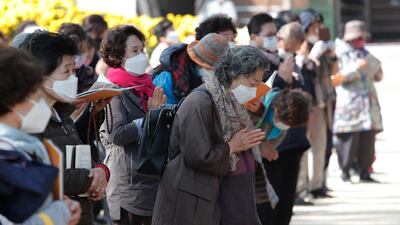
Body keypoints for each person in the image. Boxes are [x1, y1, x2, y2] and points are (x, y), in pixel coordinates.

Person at [152, 45, 267, 225]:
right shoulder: (200, 101)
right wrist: (233, 146)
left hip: (216, 196)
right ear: (233, 74)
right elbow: (198, 155)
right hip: (191, 199)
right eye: (253, 84)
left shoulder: (230, 102)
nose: (255, 90)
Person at [19, 31, 110, 225]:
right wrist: (90, 177)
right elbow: (42, 173)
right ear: (41, 77)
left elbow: (73, 154)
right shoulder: (29, 120)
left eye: (74, 70)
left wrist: (99, 171)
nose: (73, 78)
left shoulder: (61, 114)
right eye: (66, 71)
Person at [0, 47, 81, 225]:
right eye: (36, 96)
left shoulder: (21, 146)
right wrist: (59, 212)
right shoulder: (8, 157)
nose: (40, 103)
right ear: (14, 102)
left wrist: (56, 204)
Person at [99, 25, 166, 225]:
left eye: (142, 49)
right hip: (128, 181)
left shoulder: (146, 84)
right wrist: (150, 117)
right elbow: (116, 135)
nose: (141, 55)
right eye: (134, 51)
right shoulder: (111, 90)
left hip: (151, 176)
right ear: (119, 57)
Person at [256, 22, 312, 225]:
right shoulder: (254, 64)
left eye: (275, 34)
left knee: (285, 205)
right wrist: (259, 145)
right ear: (254, 37)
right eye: (270, 34)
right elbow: (251, 117)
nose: (274, 39)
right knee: (267, 206)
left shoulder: (289, 62)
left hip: (290, 143)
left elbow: (304, 96)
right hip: (263, 151)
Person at [334, 20, 383, 182]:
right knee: (348, 140)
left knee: (367, 140)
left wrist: (375, 67)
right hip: (350, 105)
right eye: (357, 38)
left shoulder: (366, 53)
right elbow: (336, 79)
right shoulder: (339, 55)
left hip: (368, 105)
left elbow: (379, 77)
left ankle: (365, 171)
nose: (360, 41)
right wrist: (356, 69)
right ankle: (346, 171)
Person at [152, 33, 229, 104]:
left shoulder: (200, 74)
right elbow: (164, 111)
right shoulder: (167, 78)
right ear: (199, 64)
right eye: (211, 68)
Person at [58, 23, 98, 93]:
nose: (79, 57)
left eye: (83, 51)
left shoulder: (87, 73)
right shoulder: (54, 73)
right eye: (77, 52)